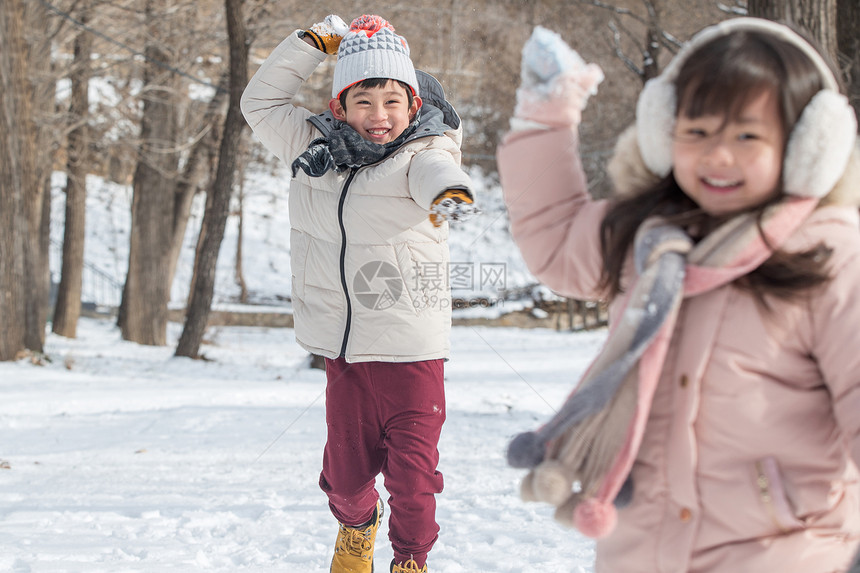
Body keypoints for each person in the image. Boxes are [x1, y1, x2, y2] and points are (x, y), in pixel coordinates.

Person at [497, 17, 860, 573]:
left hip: (785, 551)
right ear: (664, 131)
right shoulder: (645, 235)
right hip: (641, 551)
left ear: (806, 147)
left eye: (746, 135)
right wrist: (546, 118)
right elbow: (554, 235)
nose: (718, 156)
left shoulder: (829, 256)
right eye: (697, 132)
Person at [241, 13, 475, 573]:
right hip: (344, 353)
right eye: (363, 101)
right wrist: (308, 47)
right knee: (345, 480)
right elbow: (261, 106)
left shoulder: (422, 153)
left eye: (393, 100)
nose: (379, 116)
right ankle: (356, 528)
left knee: (413, 481)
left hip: (412, 355)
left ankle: (411, 559)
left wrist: (450, 194)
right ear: (340, 106)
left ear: (413, 106)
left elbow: (437, 172)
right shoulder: (312, 146)